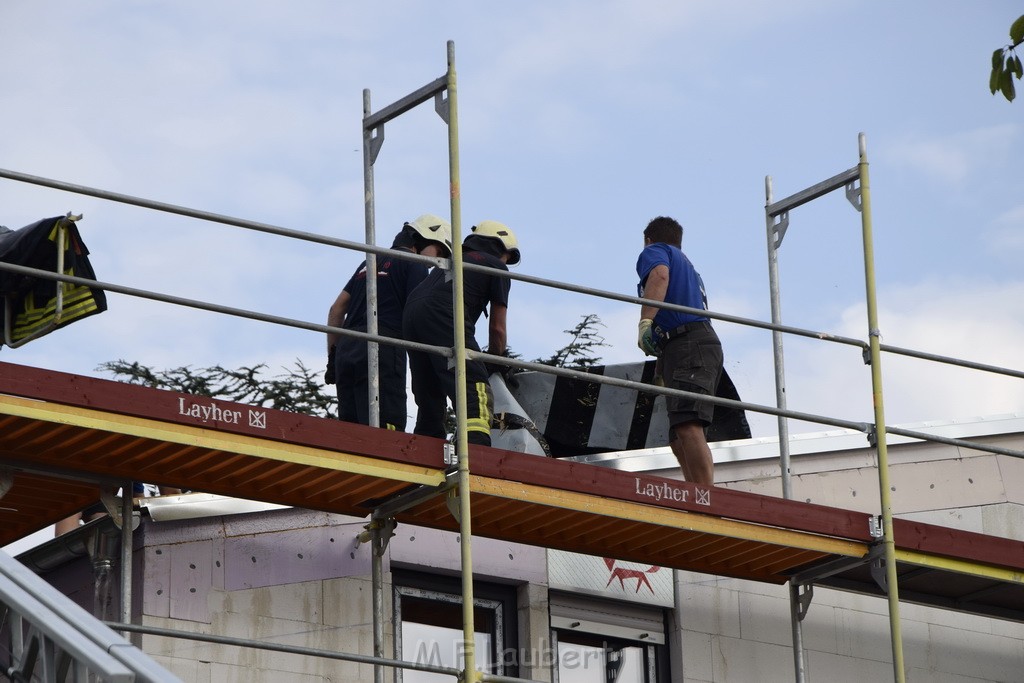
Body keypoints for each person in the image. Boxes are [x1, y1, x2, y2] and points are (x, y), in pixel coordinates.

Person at [326, 215, 453, 430]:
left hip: (346, 351)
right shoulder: (416, 264)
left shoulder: (368, 263)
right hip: (383, 347)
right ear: (421, 240)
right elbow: (419, 310)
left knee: (349, 431)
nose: (436, 262)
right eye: (439, 251)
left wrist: (333, 358)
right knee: (386, 429)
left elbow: (336, 309)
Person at [403, 220, 520, 447]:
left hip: (411, 314)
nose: (506, 262)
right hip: (443, 312)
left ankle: (427, 445)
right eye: (507, 257)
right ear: (501, 248)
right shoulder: (495, 266)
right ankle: (475, 447)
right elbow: (497, 328)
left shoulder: (449, 263)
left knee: (430, 387)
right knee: (473, 383)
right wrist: (498, 361)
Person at [635, 216, 722, 486]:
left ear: (648, 239)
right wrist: (662, 367)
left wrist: (645, 321)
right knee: (677, 436)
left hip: (689, 344)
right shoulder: (689, 269)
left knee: (688, 425)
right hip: (686, 345)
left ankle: (705, 499)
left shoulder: (656, 252)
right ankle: (695, 493)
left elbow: (659, 275)